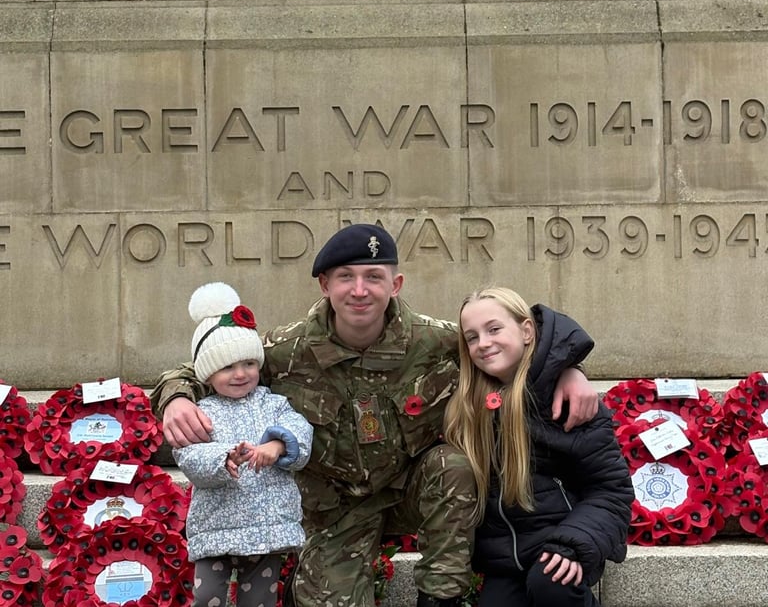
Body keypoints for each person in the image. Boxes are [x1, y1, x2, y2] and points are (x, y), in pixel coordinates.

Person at [151, 224, 600, 607]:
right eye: (346, 277)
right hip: (336, 507)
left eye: (373, 276)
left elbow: (516, 342)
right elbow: (210, 363)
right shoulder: (287, 351)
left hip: (411, 490)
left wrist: (569, 367)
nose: (360, 290)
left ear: (396, 284)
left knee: (453, 464)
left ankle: (440, 597)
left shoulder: (437, 342)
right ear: (324, 285)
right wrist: (176, 398)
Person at [443, 286, 634, 607]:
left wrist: (573, 543)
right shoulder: (467, 402)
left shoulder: (568, 403)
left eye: (494, 329)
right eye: (472, 337)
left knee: (551, 583)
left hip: (562, 545)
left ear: (527, 331)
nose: (483, 343)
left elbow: (611, 490)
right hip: (504, 561)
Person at [173, 282, 313, 607]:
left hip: (267, 528)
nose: (240, 373)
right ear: (208, 374)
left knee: (260, 598)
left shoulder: (273, 404)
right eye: (227, 367)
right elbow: (189, 454)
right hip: (216, 525)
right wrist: (225, 458)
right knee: (207, 596)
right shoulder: (202, 411)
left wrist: (277, 445)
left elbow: (300, 429)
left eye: (249, 363)